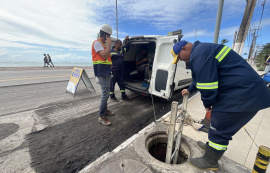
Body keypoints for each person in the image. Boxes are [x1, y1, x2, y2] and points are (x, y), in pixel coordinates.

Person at [171, 40, 270, 170]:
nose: (182, 61)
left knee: (219, 126)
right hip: (244, 92)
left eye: (180, 58)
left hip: (243, 95)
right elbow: (199, 78)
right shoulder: (202, 51)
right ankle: (212, 149)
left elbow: (207, 85)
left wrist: (208, 104)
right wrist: (190, 89)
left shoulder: (200, 55)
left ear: (184, 49)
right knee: (218, 126)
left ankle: (210, 161)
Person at [92, 24, 114, 126]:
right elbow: (104, 56)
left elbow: (108, 58)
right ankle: (101, 116)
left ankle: (104, 110)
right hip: (102, 72)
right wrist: (109, 44)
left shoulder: (103, 44)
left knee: (106, 92)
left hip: (107, 71)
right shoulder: (97, 43)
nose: (109, 38)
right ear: (105, 35)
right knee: (105, 94)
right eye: (109, 35)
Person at [110, 37, 131, 101]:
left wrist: (126, 41)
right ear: (116, 44)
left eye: (121, 45)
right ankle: (112, 96)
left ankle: (124, 96)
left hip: (120, 71)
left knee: (121, 84)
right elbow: (108, 62)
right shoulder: (111, 52)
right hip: (113, 71)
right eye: (119, 45)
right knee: (112, 84)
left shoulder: (121, 50)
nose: (120, 46)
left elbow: (127, 48)